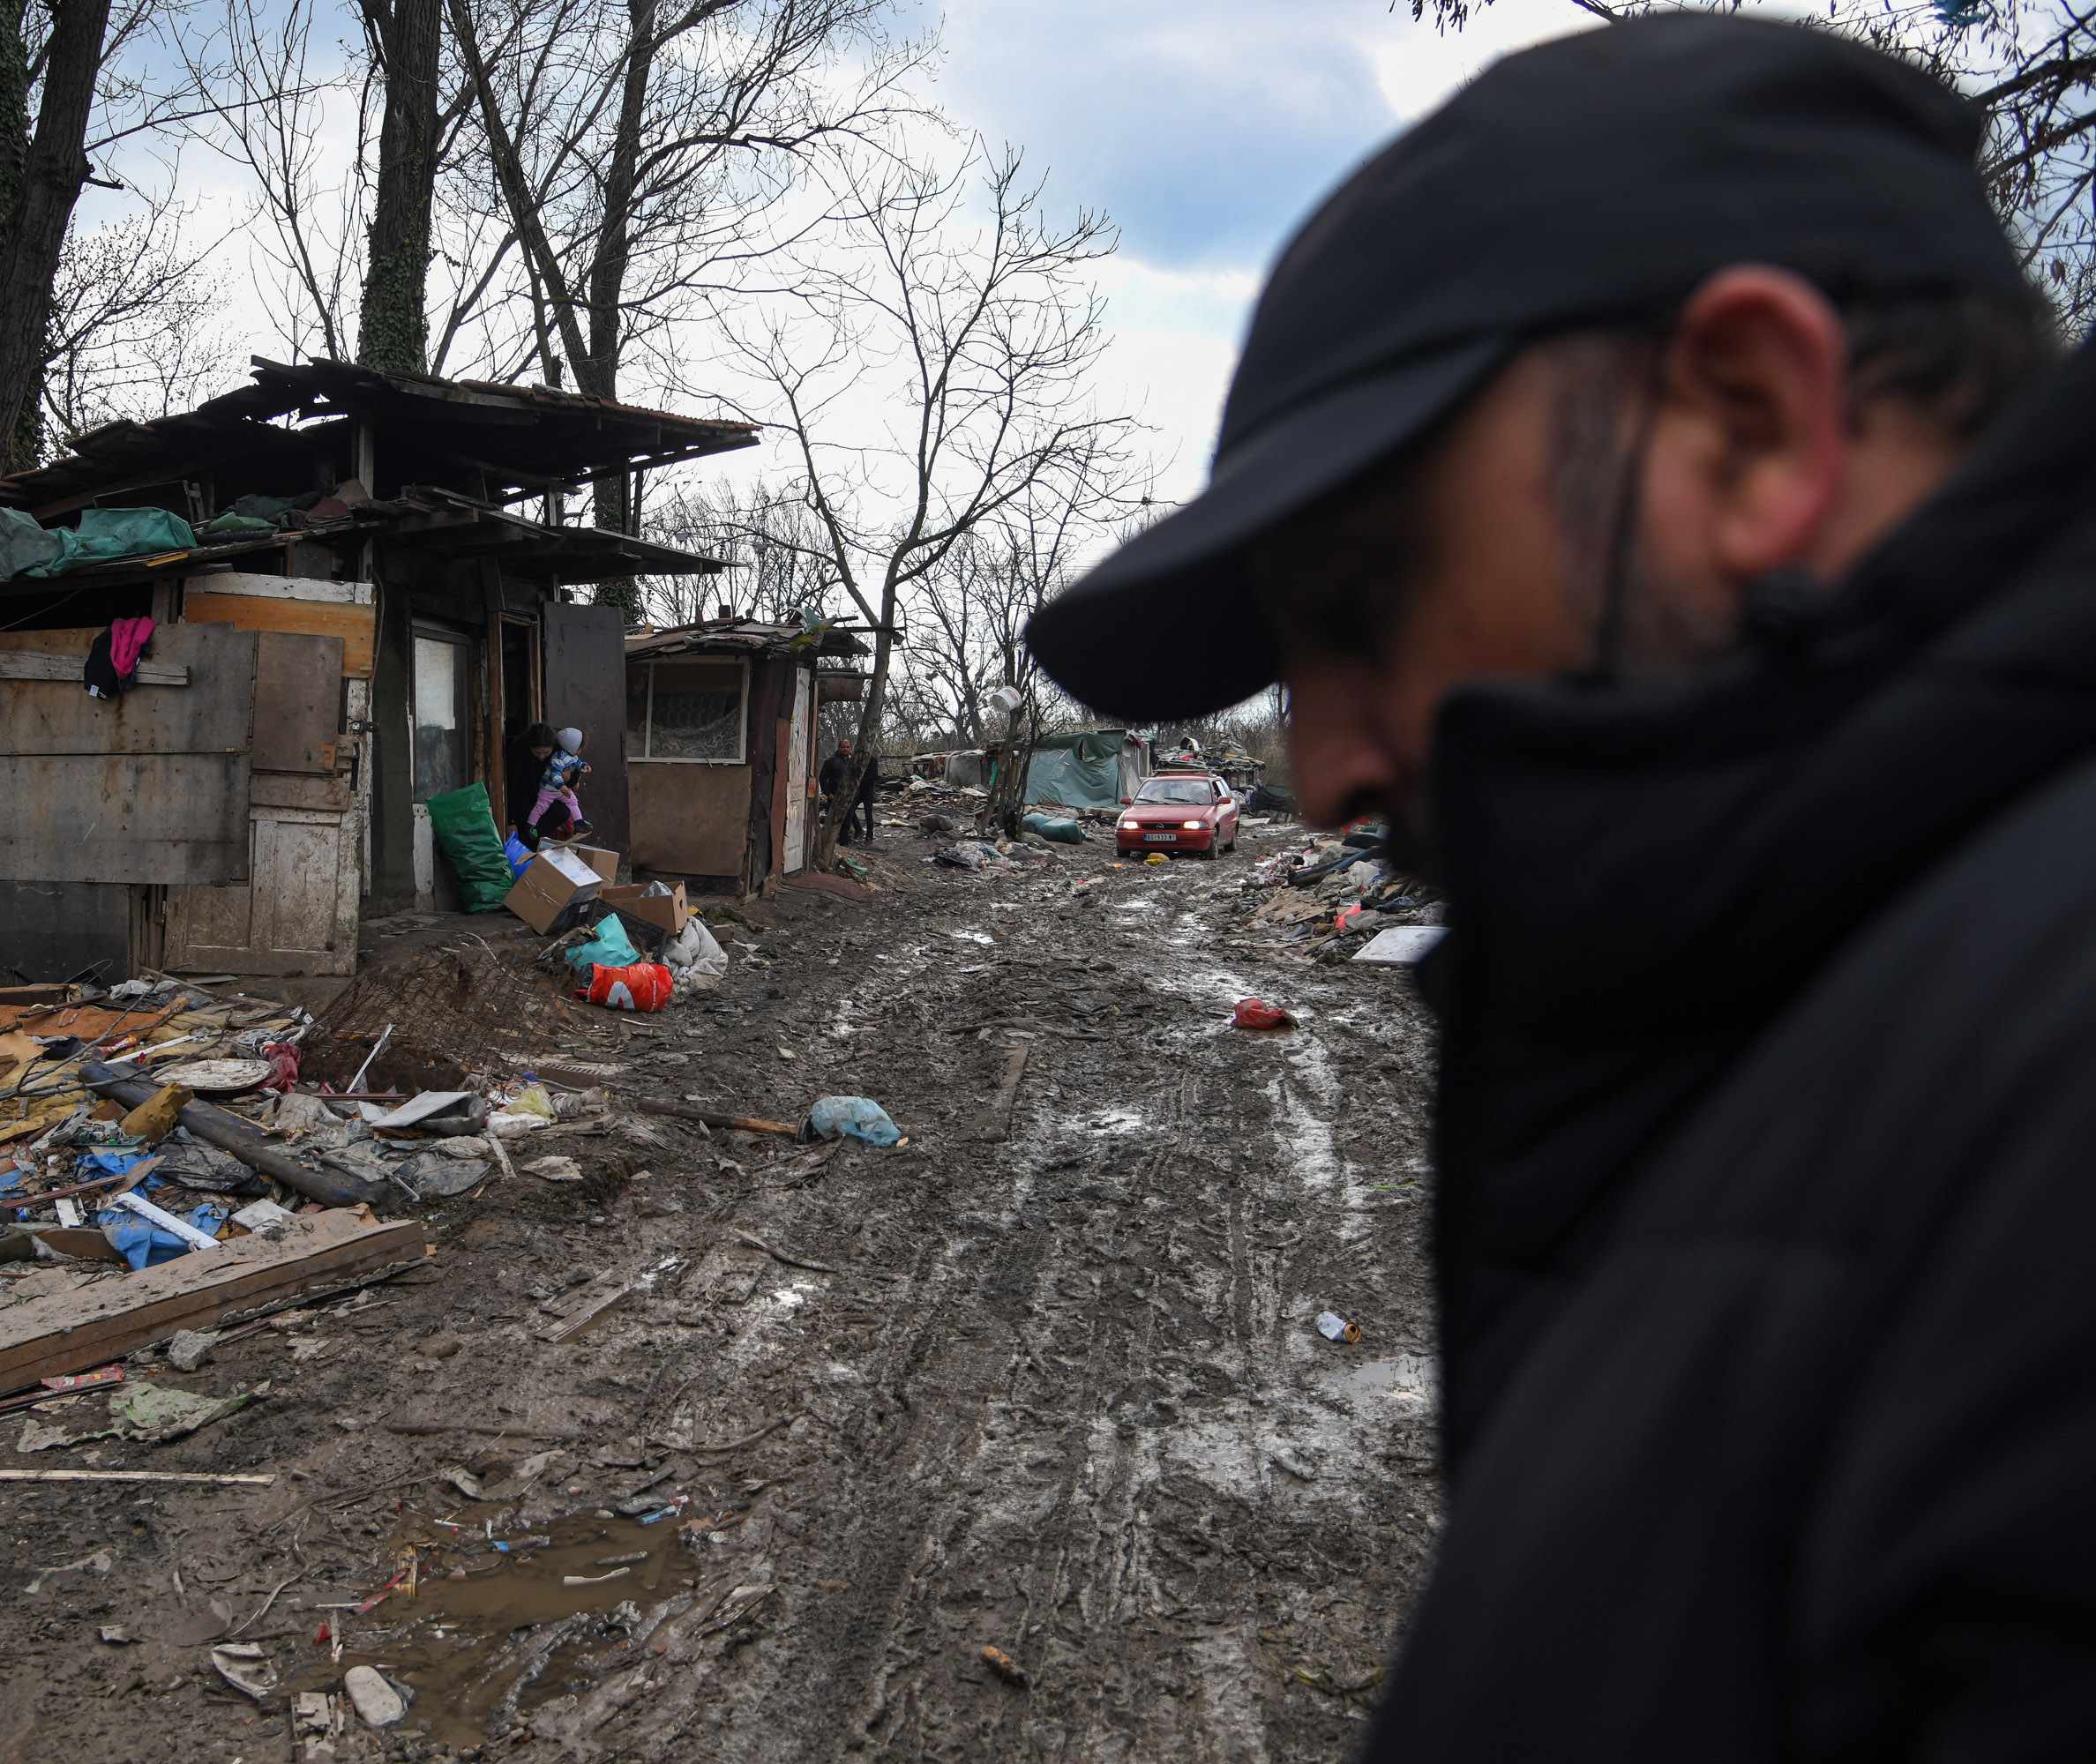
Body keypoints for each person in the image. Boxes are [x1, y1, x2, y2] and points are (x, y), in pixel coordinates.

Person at [1027, 16, 2089, 1757]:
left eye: (1365, 602)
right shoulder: (1823, 1025)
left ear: (1748, 427)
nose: (1329, 766)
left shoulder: (2037, 1106)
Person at [520, 724, 592, 847]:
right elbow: (555, 774)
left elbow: (576, 770)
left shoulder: (570, 756)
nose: (542, 757)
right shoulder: (557, 758)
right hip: (548, 790)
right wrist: (563, 786)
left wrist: (583, 766)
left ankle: (579, 822)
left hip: (560, 791)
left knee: (573, 801)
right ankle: (531, 826)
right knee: (541, 807)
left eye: (545, 753)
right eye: (538, 753)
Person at [820, 737, 875, 843]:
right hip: (835, 796)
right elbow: (822, 778)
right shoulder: (831, 761)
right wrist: (828, 793)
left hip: (850, 797)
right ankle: (828, 842)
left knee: (847, 822)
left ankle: (844, 844)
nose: (845, 749)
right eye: (843, 747)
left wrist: (855, 794)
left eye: (847, 747)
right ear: (839, 748)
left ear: (850, 749)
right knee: (833, 820)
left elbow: (857, 778)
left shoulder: (853, 762)